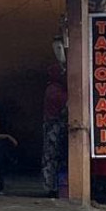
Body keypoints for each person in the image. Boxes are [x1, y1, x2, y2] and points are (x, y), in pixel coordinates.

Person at [42, 63, 67, 198]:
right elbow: (65, 104)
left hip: (53, 126)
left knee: (52, 158)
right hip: (53, 127)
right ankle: (51, 187)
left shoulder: (54, 88)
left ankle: (53, 186)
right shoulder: (54, 90)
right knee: (51, 157)